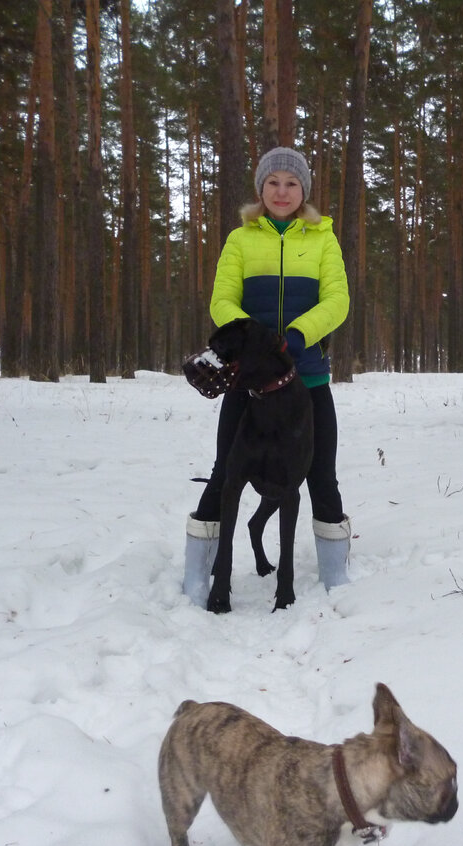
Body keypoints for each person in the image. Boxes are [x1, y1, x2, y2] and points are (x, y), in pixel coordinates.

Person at [183, 146, 352, 603]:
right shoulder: (241, 240)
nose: (282, 191)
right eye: (273, 182)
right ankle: (198, 573)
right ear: (261, 189)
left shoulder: (323, 239)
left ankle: (337, 578)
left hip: (309, 379)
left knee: (322, 476)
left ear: (304, 191)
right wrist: (255, 339)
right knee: (224, 475)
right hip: (247, 385)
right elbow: (222, 300)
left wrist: (298, 335)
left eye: (291, 183)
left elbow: (337, 300)